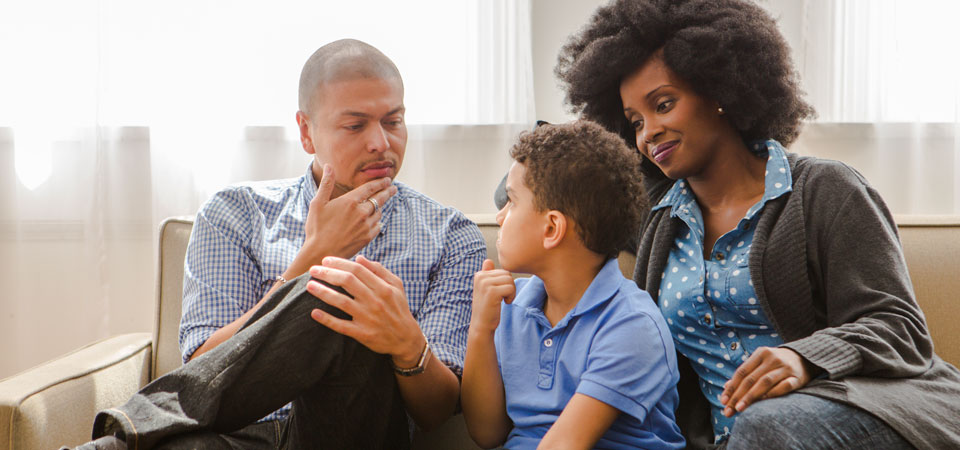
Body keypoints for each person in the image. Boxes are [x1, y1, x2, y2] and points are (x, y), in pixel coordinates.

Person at [550, 0, 960, 448]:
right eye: (634, 122)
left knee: (766, 424)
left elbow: (899, 325)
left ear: (720, 91)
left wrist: (802, 357)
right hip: (738, 438)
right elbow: (547, 186)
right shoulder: (658, 218)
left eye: (663, 105)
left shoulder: (823, 189)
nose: (649, 132)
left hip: (862, 410)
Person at [68, 39, 486, 449]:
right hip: (232, 435)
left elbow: (435, 414)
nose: (380, 142)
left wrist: (405, 341)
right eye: (356, 125)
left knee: (343, 291)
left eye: (393, 121)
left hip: (349, 432)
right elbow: (205, 369)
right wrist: (311, 258)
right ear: (307, 132)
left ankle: (132, 430)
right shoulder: (235, 213)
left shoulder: (451, 236)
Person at [462, 120, 685, 450]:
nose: (499, 217)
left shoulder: (631, 323)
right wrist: (480, 329)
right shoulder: (512, 306)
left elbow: (565, 444)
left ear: (552, 228)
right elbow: (486, 434)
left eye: (511, 201)